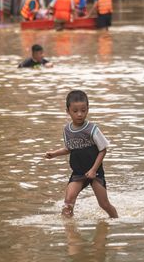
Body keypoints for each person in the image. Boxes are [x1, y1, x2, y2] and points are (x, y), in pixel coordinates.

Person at [45, 90, 118, 219]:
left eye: (83, 110)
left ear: (87, 109)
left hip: (95, 173)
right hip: (78, 172)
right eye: (75, 111)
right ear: (68, 111)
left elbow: (103, 149)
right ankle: (70, 232)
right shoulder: (67, 130)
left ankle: (116, 219)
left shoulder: (92, 129)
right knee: (68, 203)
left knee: (104, 204)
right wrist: (54, 154)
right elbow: (70, 149)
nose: (79, 114)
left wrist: (93, 170)